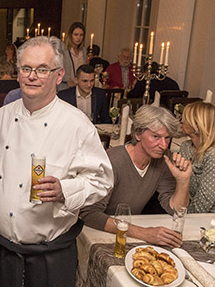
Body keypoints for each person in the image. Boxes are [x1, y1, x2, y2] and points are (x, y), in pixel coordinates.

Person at [0, 36, 113, 287]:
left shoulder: (77, 125)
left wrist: (66, 189)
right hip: (5, 252)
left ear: (59, 75)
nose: (32, 76)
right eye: (26, 68)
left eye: (42, 69)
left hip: (51, 256)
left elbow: (102, 181)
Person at [80, 105, 191, 247]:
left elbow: (176, 210)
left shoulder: (164, 159)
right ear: (138, 134)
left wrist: (183, 181)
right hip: (97, 234)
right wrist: (144, 233)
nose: (163, 145)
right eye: (156, 136)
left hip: (129, 233)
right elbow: (89, 214)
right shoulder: (113, 161)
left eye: (167, 138)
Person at [180, 101, 215, 213]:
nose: (181, 121)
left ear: (197, 125)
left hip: (208, 218)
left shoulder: (212, 155)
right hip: (185, 209)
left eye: (185, 119)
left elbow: (205, 199)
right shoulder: (186, 147)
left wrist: (184, 218)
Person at [61, 22, 86, 90]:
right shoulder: (64, 49)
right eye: (76, 35)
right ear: (70, 35)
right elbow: (57, 68)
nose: (78, 38)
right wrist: (67, 79)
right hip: (65, 86)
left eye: (81, 35)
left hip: (78, 87)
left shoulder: (83, 50)